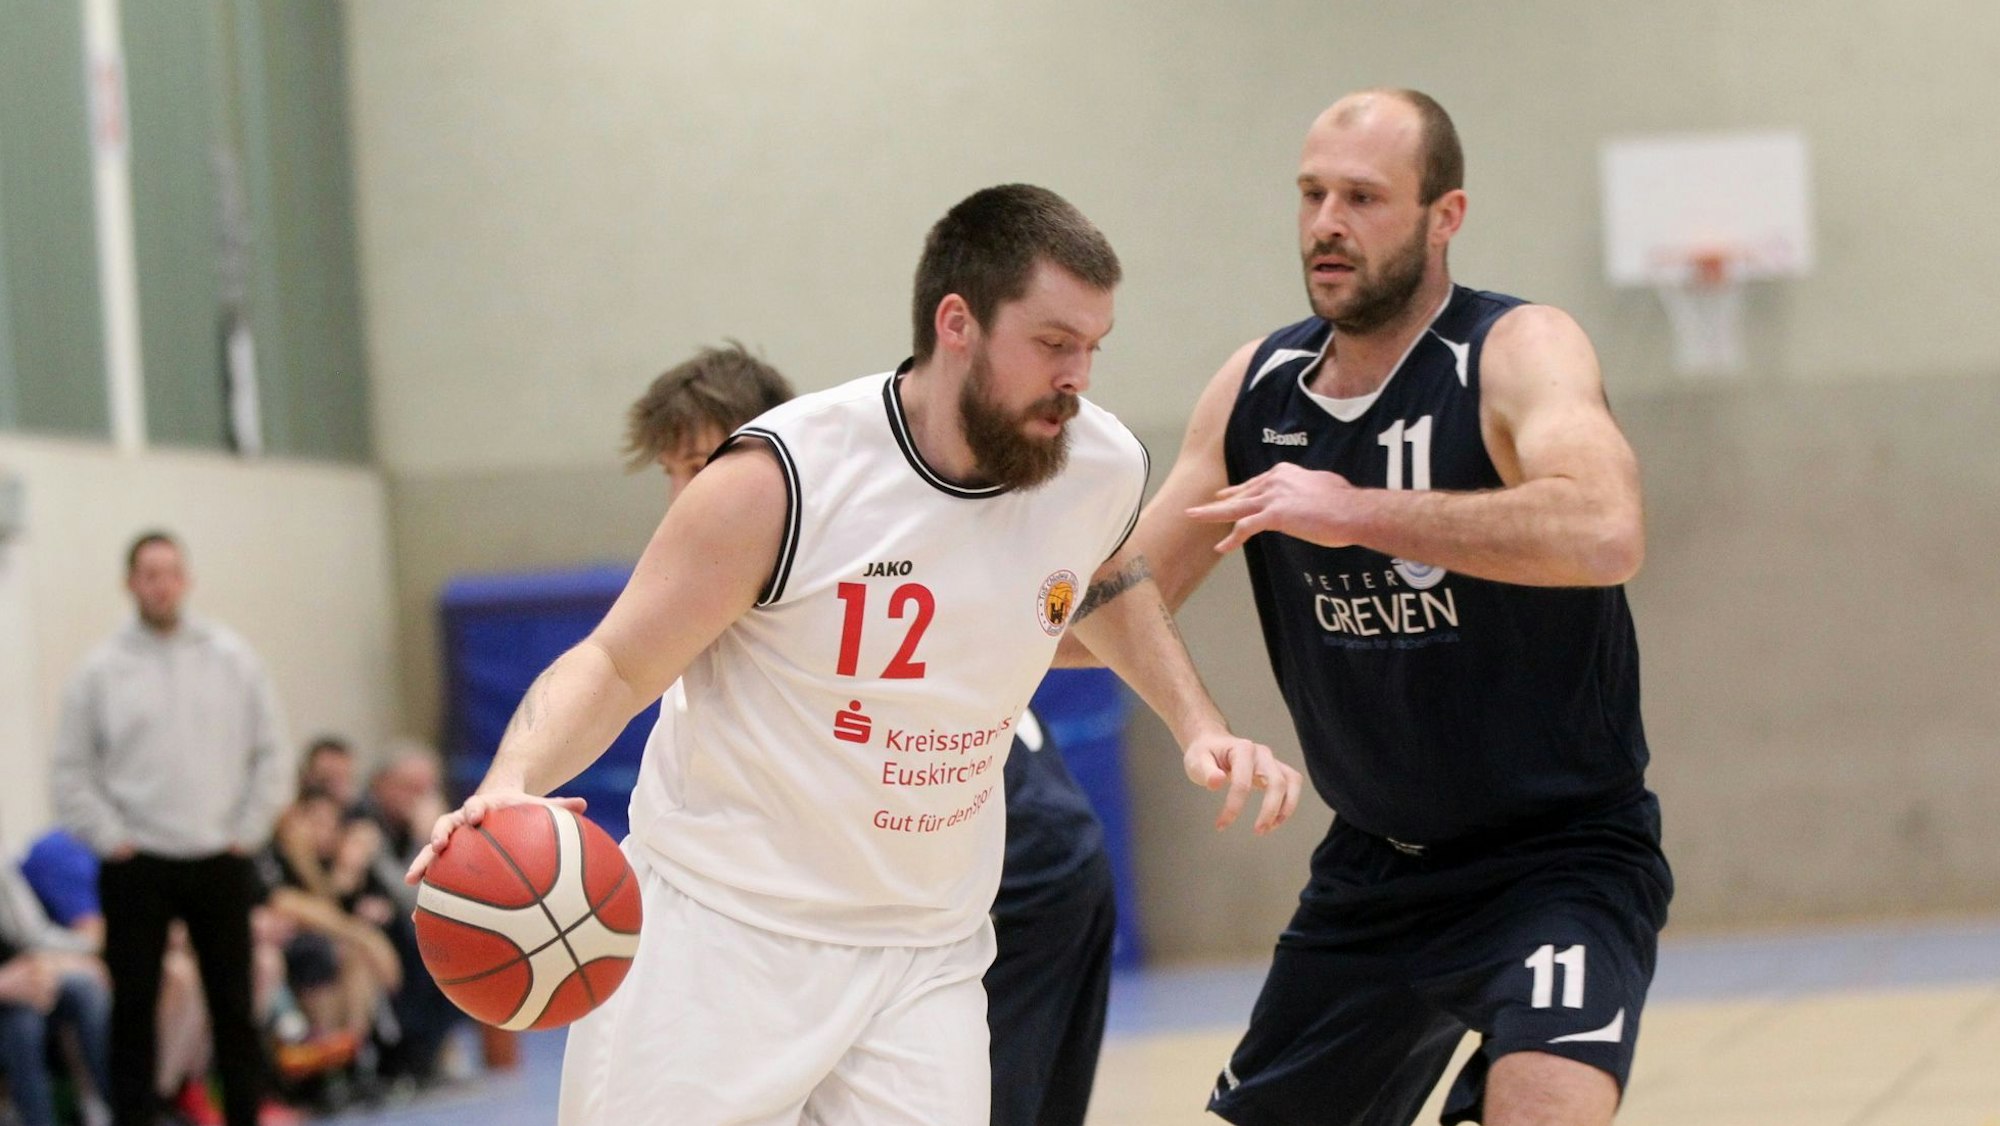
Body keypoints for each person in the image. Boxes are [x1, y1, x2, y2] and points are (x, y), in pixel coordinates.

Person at [409, 183, 1304, 1126]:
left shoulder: (1095, 464)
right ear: (957, 323)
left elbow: (1111, 582)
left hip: (926, 954)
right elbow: (618, 664)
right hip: (725, 939)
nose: (1077, 375)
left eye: (1093, 346)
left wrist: (1198, 724)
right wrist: (510, 781)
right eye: (1052, 344)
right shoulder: (780, 480)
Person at [1111, 89, 1674, 1126]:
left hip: (1559, 856)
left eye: (1362, 197)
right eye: (1311, 194)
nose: (1326, 221)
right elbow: (1110, 597)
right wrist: (1195, 718)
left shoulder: (1514, 348)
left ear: (1441, 215)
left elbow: (1604, 530)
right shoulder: (1255, 388)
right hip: (1375, 868)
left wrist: (1359, 512)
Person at [625, 341, 1119, 1126]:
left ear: (771, 447)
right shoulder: (757, 554)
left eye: (706, 462)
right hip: (973, 867)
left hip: (1019, 872)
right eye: (674, 472)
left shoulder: (821, 548)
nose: (693, 490)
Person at [50, 531, 292, 1126]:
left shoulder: (232, 658)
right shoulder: (99, 672)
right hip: (138, 862)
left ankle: (243, 1113)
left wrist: (247, 828)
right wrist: (113, 839)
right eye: (148, 573)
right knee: (134, 1009)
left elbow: (272, 753)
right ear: (131, 583)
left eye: (170, 572)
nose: (160, 584)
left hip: (219, 854)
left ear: (186, 580)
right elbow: (70, 771)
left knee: (234, 1006)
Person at [0, 858, 111, 1126]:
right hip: (9, 993)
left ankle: (110, 1106)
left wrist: (81, 952)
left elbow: (31, 933)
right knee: (22, 1021)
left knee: (87, 988)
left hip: (20, 977)